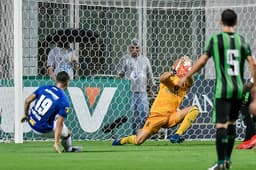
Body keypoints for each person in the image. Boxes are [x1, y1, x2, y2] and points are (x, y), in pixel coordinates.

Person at [178, 9, 256, 170]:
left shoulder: (215, 39)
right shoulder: (242, 40)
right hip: (238, 89)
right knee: (232, 123)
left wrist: (187, 76)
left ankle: (221, 163)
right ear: (236, 23)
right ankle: (227, 159)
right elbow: (252, 64)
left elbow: (202, 62)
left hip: (223, 89)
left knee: (221, 126)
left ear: (221, 22)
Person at [112, 56, 199, 146]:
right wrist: (174, 71)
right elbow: (162, 78)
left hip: (171, 116)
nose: (183, 66)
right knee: (138, 141)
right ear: (175, 66)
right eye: (181, 64)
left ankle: (177, 135)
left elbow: (191, 81)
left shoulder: (186, 82)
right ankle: (122, 140)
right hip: (157, 115)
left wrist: (188, 70)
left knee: (194, 109)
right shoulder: (169, 77)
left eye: (185, 66)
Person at [21, 71, 82, 153]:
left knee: (54, 116)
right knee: (67, 134)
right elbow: (59, 123)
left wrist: (26, 114)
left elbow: (27, 101)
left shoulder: (44, 88)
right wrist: (56, 143)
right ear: (67, 83)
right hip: (42, 129)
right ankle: (68, 149)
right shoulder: (64, 100)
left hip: (31, 122)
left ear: (56, 80)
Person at [117, 38, 155, 134]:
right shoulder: (125, 59)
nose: (135, 50)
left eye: (137, 48)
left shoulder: (145, 60)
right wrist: (121, 74)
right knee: (132, 113)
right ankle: (132, 133)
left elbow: (150, 74)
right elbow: (119, 74)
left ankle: (143, 132)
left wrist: (151, 88)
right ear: (129, 48)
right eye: (133, 47)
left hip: (142, 90)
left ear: (140, 48)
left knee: (144, 112)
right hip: (129, 91)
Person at [236, 79, 256, 149]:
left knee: (251, 124)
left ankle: (248, 141)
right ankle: (248, 141)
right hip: (245, 107)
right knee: (250, 124)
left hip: (249, 106)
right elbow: (245, 102)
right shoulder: (248, 88)